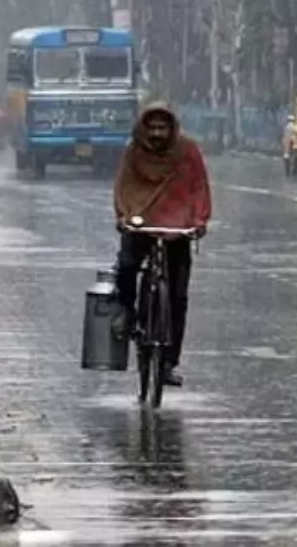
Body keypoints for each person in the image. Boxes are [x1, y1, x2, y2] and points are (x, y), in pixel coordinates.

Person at [113, 103, 212, 388]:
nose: (157, 134)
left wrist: (199, 219)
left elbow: (198, 187)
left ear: (172, 129)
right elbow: (123, 188)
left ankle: (169, 362)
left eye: (162, 128)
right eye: (152, 128)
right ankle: (126, 310)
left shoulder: (187, 152)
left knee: (178, 297)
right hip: (141, 223)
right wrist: (124, 216)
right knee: (128, 265)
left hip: (177, 229)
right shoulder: (133, 153)